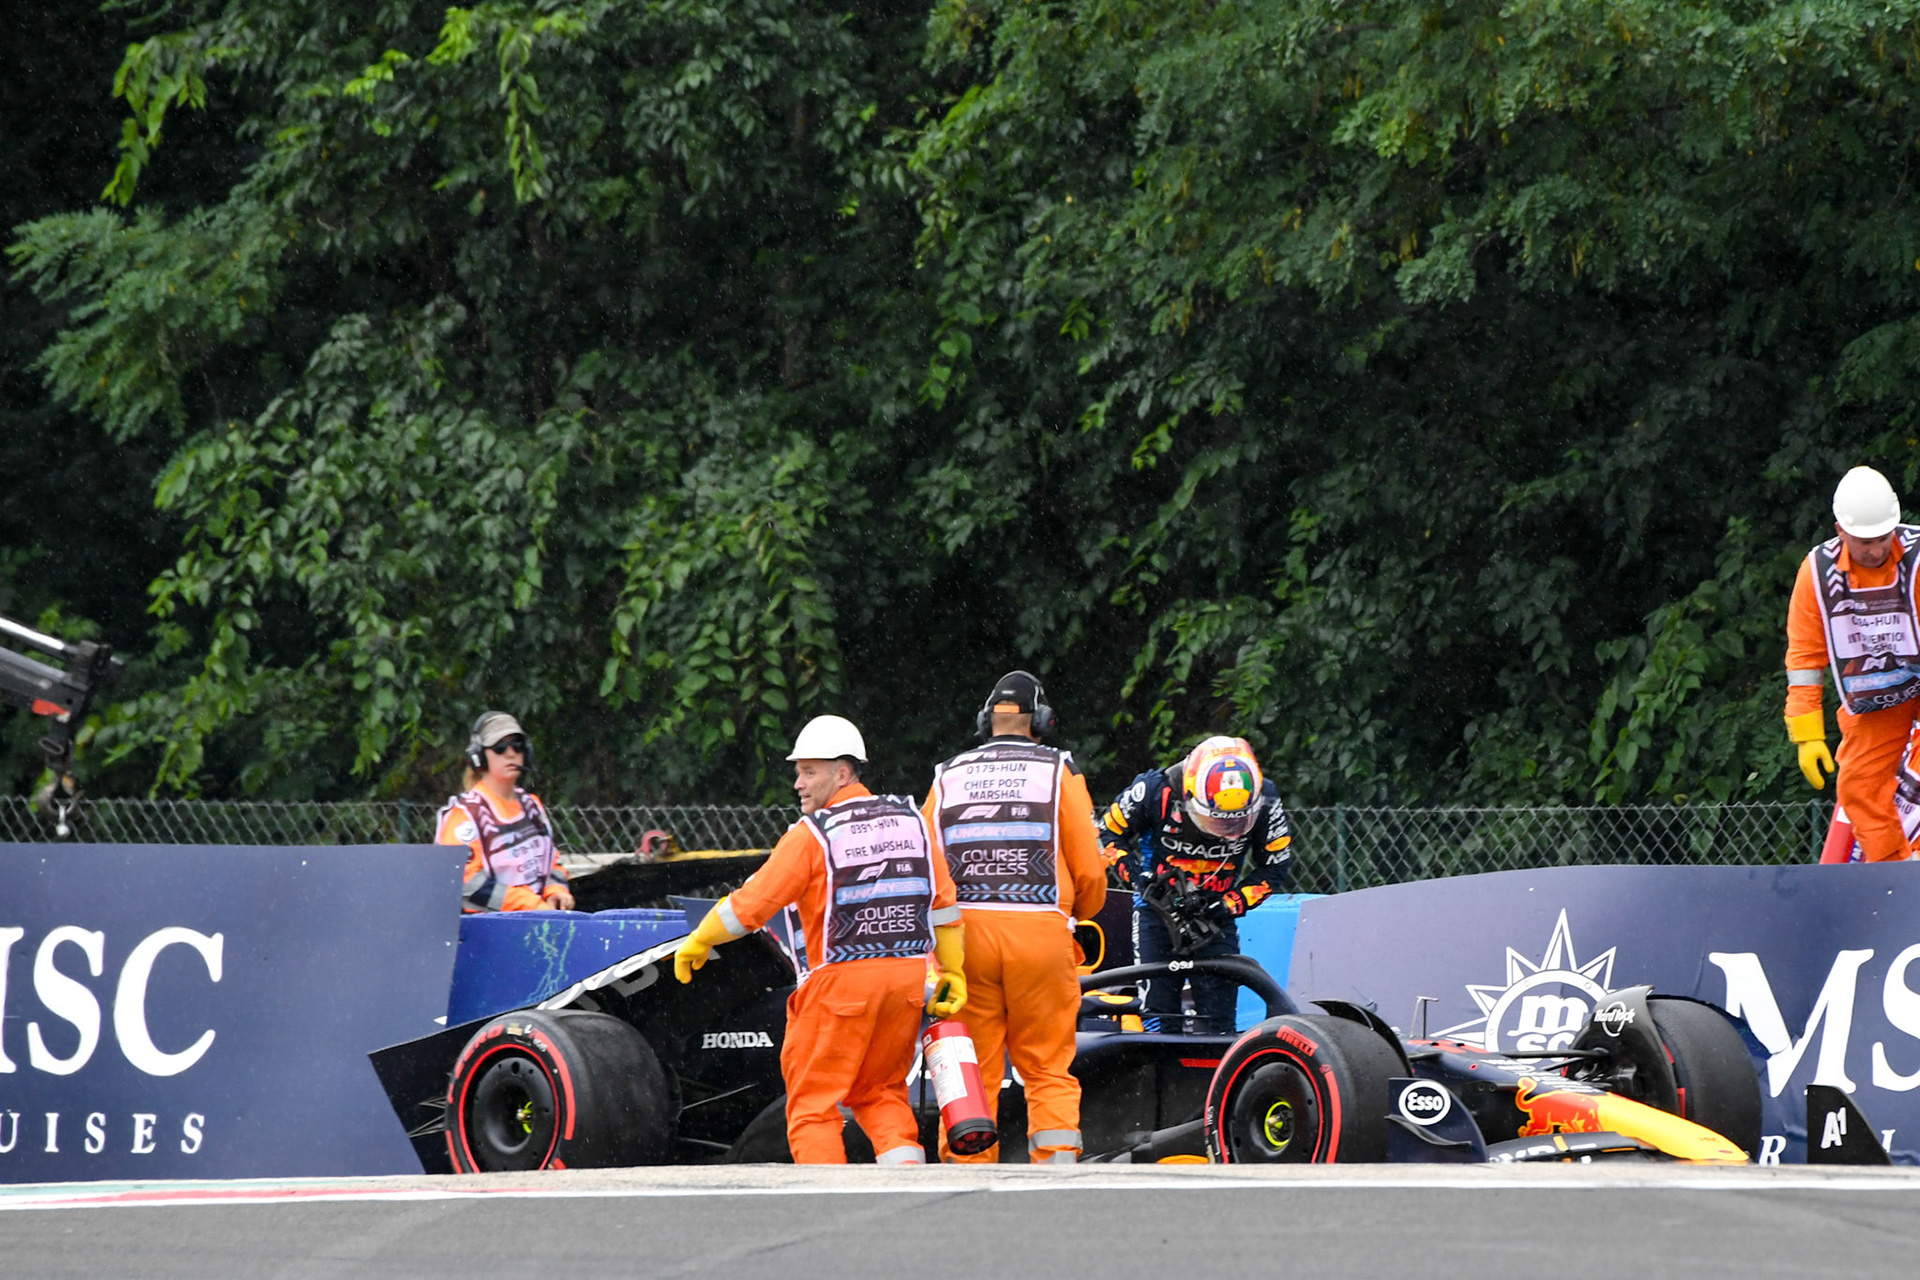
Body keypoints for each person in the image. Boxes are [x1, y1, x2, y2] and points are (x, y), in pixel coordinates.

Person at [673, 714, 965, 1165]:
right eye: (798, 771)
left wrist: (699, 939)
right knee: (882, 1092)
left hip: (839, 987)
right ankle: (907, 1179)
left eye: (809, 772)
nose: (798, 783)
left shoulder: (812, 836)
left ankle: (826, 1203)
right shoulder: (914, 823)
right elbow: (945, 906)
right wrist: (953, 972)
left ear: (843, 772)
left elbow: (750, 905)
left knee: (813, 1105)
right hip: (906, 984)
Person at [921, 670, 1106, 1164]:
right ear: (1042, 721)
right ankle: (1057, 1172)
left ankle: (965, 1176)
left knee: (968, 1072)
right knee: (1047, 1067)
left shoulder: (948, 775)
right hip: (1041, 936)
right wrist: (1079, 911)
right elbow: (1089, 868)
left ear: (987, 722)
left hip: (964, 943)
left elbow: (925, 864)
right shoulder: (1057, 771)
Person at [1098, 735, 1292, 1033]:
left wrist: (1228, 905)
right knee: (1158, 1020)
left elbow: (1276, 866)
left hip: (1215, 919)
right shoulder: (1153, 789)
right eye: (1218, 819)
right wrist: (1140, 879)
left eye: (1234, 822)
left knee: (1220, 1025)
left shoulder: (1266, 796)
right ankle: (1162, 1076)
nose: (1225, 829)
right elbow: (1107, 833)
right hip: (1156, 912)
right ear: (1190, 792)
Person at [1786, 465, 1920, 863]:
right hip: (1877, 695)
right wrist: (1808, 735)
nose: (1878, 549)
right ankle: (1895, 879)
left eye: (1884, 537)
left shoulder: (1917, 559)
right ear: (1840, 531)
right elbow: (1805, 659)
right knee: (1859, 787)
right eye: (1865, 542)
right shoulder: (1817, 574)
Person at [435, 711, 574, 912]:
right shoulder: (466, 815)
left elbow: (552, 859)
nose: (511, 753)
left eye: (517, 745)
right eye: (500, 747)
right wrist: (530, 905)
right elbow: (463, 881)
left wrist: (556, 890)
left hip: (540, 920)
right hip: (486, 932)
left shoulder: (532, 805)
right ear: (479, 757)